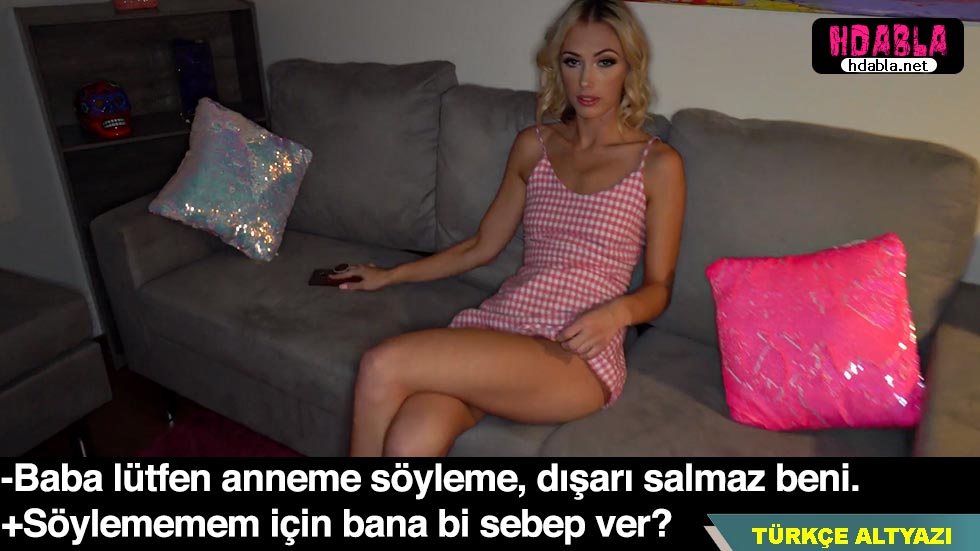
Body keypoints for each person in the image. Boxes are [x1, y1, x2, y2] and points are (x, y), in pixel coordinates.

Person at [336, 0, 686, 457]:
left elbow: (659, 288)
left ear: (629, 68)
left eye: (605, 62)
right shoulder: (534, 146)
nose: (586, 80)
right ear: (557, 67)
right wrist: (389, 275)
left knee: (382, 365)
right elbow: (481, 246)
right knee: (411, 437)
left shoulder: (657, 164)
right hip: (504, 321)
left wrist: (616, 314)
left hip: (574, 352)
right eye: (573, 62)